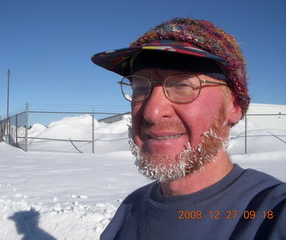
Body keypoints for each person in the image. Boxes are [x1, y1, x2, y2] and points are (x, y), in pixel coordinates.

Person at [91, 18, 286, 240]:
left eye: (181, 85)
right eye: (140, 87)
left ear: (234, 106)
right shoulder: (130, 208)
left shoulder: (271, 213)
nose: (151, 112)